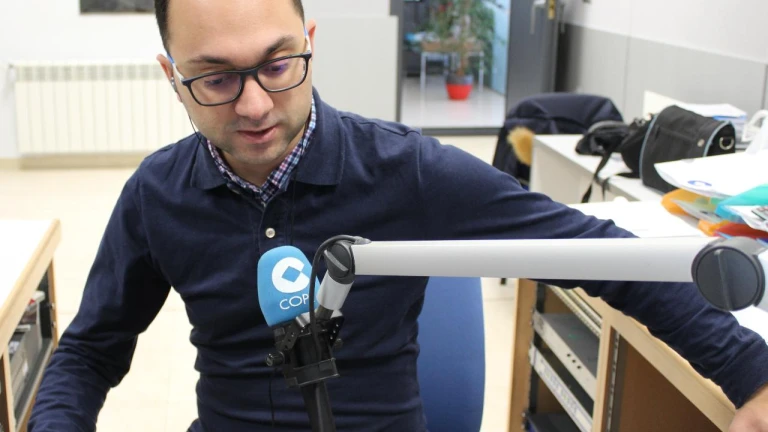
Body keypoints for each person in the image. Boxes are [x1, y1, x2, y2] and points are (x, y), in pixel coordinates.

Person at [29, 0, 768, 431]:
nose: (254, 104)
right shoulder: (157, 194)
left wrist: (751, 373)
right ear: (172, 77)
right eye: (216, 79)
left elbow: (594, 253)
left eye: (278, 65)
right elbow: (90, 350)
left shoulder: (406, 170)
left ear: (310, 45)